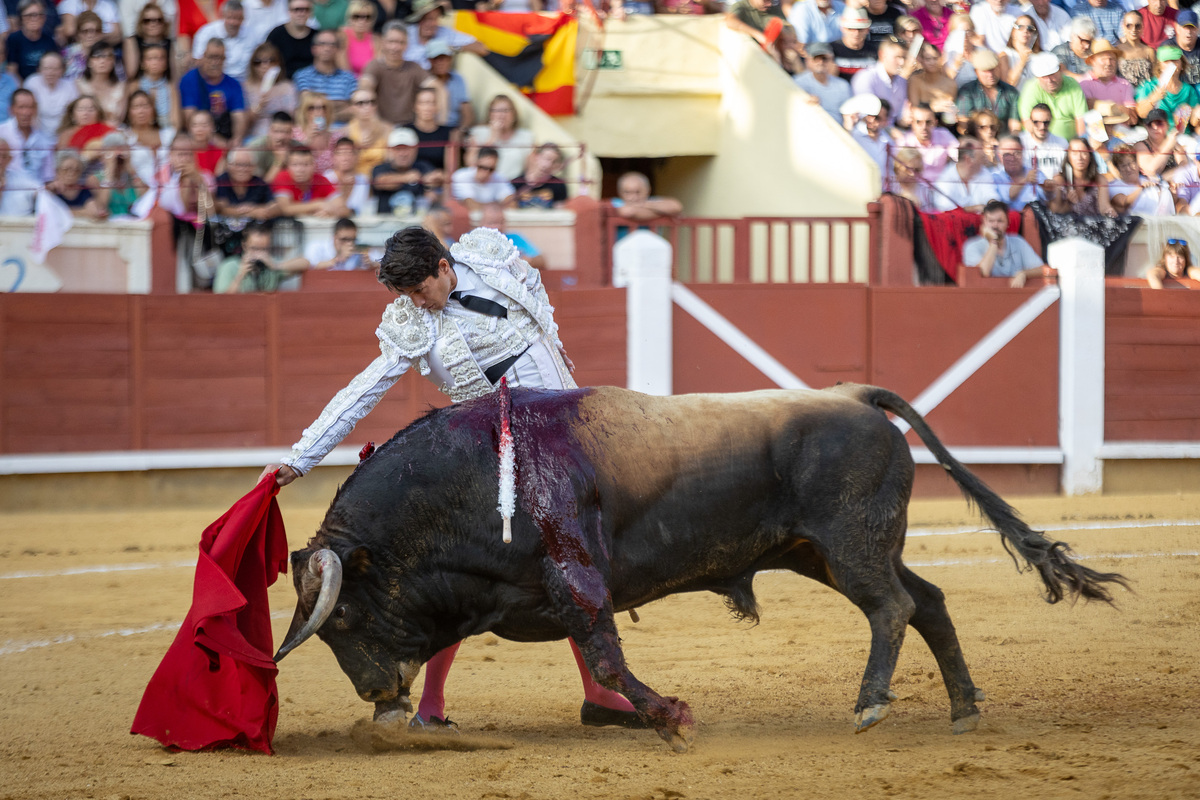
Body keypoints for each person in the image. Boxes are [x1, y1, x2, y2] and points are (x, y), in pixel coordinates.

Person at [256, 225, 642, 734]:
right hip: (498, 460)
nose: (419, 303)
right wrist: (301, 458)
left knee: (572, 558)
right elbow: (362, 391)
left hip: (570, 436)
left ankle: (598, 691)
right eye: (407, 296)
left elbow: (539, 318)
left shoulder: (489, 257)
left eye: (420, 290)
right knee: (489, 569)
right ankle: (433, 707)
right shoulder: (411, 325)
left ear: (443, 267)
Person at [360, 21, 430, 127]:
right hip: (380, 126)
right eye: (391, 41)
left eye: (400, 42)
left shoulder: (414, 67)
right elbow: (366, 85)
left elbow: (435, 86)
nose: (395, 47)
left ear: (407, 45)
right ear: (383, 42)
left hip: (408, 126)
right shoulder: (374, 65)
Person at [962, 200, 1047, 286]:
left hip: (1016, 296)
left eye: (1000, 221)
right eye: (991, 221)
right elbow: (983, 272)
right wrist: (993, 242)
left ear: (1008, 223)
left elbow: (1042, 269)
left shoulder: (1018, 242)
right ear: (984, 222)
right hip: (985, 296)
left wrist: (1024, 273)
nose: (995, 225)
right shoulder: (971, 246)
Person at [180, 38, 248, 145]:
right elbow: (189, 118)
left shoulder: (233, 84)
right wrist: (217, 141)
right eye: (211, 57)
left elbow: (239, 117)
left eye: (220, 58)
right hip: (198, 138)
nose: (215, 62)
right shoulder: (189, 80)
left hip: (225, 134)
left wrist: (236, 139)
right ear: (203, 56)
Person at [214, 222, 312, 292]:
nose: (259, 254)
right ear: (244, 246)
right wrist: (240, 275)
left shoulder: (270, 264)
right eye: (254, 248)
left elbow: (305, 263)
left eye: (264, 249)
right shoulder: (229, 266)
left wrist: (275, 266)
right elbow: (223, 300)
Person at [371, 121, 439, 217]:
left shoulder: (422, 166)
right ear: (390, 150)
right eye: (398, 149)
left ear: (415, 150)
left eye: (407, 149)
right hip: (385, 223)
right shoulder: (380, 168)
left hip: (416, 223)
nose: (403, 154)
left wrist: (432, 182)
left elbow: (435, 180)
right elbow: (380, 181)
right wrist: (407, 178)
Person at [466, 94, 534, 183]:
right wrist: (493, 137)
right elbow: (471, 164)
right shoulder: (479, 133)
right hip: (484, 183)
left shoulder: (526, 136)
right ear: (490, 114)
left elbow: (531, 170)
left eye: (506, 111)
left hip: (512, 186)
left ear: (514, 114)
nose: (501, 115)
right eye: (497, 111)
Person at [1018, 53, 1087, 141]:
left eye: (1052, 74)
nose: (1049, 80)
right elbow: (1027, 121)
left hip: (1070, 145)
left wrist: (1080, 143)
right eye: (1044, 77)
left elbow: (1081, 120)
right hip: (1040, 142)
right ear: (1037, 78)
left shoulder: (1073, 85)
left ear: (1060, 70)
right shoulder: (1031, 88)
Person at [294, 29, 358, 119]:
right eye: (322, 44)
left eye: (332, 45)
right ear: (314, 49)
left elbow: (356, 110)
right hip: (312, 131)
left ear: (337, 50)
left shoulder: (349, 78)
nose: (327, 48)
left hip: (342, 131)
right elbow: (306, 106)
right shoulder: (302, 75)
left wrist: (322, 111)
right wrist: (341, 104)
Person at [272, 143, 349, 216]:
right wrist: (318, 204)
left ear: (314, 165)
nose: (300, 169)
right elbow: (285, 209)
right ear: (288, 166)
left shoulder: (321, 181)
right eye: (295, 165)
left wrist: (331, 212)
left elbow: (343, 208)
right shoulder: (282, 178)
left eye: (306, 164)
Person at [403, 0, 484, 68]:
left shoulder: (445, 33)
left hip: (435, 82)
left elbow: (481, 48)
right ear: (418, 20)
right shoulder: (406, 34)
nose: (431, 24)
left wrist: (450, 48)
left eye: (434, 19)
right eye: (426, 19)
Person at [1044, 136, 1112, 216]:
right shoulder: (1059, 180)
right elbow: (1054, 211)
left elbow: (1104, 207)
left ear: (1090, 155)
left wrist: (1110, 212)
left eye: (1083, 152)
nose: (1079, 158)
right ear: (1068, 156)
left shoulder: (1099, 179)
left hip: (1092, 225)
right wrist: (1068, 204)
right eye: (1075, 153)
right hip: (1067, 226)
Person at [955, 49, 1021, 133]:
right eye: (985, 71)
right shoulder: (967, 91)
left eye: (993, 69)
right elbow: (963, 125)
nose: (990, 74)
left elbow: (1014, 124)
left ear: (999, 68)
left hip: (1003, 140)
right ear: (976, 71)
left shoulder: (1011, 92)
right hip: (976, 140)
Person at [1135, 45, 1200, 128]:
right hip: (1158, 136)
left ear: (1182, 64)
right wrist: (1154, 98)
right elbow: (1141, 114)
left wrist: (1196, 114)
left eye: (1175, 60)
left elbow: (1194, 122)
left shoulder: (1188, 90)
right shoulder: (1149, 86)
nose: (1171, 64)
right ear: (1159, 65)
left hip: (1182, 136)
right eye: (1166, 61)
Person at [83, 131, 146, 216]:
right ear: (103, 157)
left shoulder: (131, 178)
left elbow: (146, 199)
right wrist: (109, 170)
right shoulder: (94, 179)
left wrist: (130, 167)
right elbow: (101, 207)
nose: (118, 161)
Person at [243, 43, 298, 139]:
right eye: (258, 61)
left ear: (278, 63)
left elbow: (293, 117)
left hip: (283, 134)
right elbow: (242, 123)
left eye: (270, 61)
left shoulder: (287, 87)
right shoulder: (245, 88)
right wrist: (258, 107)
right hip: (255, 136)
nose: (264, 65)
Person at [932, 137, 1002, 212]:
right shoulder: (945, 179)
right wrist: (975, 208)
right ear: (968, 159)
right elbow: (946, 209)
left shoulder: (983, 171)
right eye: (981, 157)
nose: (984, 161)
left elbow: (991, 195)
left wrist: (993, 204)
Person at [192, 0, 256, 81]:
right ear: (222, 16)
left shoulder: (251, 34)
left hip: (243, 82)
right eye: (230, 18)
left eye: (238, 18)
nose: (234, 22)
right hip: (213, 81)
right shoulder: (206, 32)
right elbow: (198, 62)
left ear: (243, 18)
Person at [851, 36, 908, 125]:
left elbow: (901, 116)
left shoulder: (902, 81)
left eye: (904, 57)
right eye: (897, 57)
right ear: (881, 55)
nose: (902, 62)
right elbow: (867, 116)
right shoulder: (865, 77)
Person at [215, 145, 282, 219]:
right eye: (238, 164)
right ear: (229, 165)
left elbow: (275, 207)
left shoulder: (259, 183)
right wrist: (252, 212)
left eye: (248, 165)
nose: (243, 169)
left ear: (254, 167)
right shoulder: (220, 182)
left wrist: (256, 208)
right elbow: (219, 209)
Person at [897, 102, 958, 183]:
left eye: (928, 122)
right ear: (912, 123)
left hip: (940, 188)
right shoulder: (904, 141)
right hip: (915, 188)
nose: (924, 127)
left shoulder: (943, 134)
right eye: (919, 122)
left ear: (935, 122)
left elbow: (959, 154)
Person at [22, 53, 77, 137]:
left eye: (55, 69)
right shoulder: (32, 82)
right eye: (46, 68)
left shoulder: (70, 86)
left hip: (63, 133)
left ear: (62, 70)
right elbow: (28, 112)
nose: (50, 73)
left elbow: (73, 114)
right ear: (39, 69)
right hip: (37, 134)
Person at [479, 201, 547, 270]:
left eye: (501, 222)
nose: (498, 227)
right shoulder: (472, 240)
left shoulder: (515, 238)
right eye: (492, 223)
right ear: (482, 223)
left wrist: (529, 261)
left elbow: (541, 260)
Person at [1109, 146, 1174, 216]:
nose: (1128, 168)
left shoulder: (1150, 179)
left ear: (1137, 163)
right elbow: (1123, 203)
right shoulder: (1114, 186)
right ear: (1118, 169)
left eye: (1131, 163)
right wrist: (1141, 188)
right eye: (1123, 166)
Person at [48, 149, 110, 221]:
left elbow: (94, 211)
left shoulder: (84, 191)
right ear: (57, 171)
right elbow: (51, 212)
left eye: (76, 170)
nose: (71, 173)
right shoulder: (52, 190)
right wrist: (83, 212)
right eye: (67, 169)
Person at [1080, 39, 1133, 121]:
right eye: (1103, 59)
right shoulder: (1084, 84)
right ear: (1093, 61)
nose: (1108, 63)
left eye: (1112, 59)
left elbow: (1132, 118)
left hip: (1122, 131)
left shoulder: (1124, 84)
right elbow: (1086, 113)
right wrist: (1120, 109)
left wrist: (1099, 105)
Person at [426, 39, 473, 133]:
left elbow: (466, 109)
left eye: (444, 58)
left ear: (450, 59)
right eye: (436, 59)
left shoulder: (458, 79)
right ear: (430, 61)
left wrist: (462, 130)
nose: (441, 62)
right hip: (430, 129)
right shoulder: (425, 80)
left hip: (454, 129)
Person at [130, 43, 179, 132]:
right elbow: (131, 118)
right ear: (142, 63)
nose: (155, 62)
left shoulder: (171, 87)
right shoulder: (135, 85)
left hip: (166, 131)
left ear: (166, 63)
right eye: (150, 59)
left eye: (160, 58)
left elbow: (176, 122)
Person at [295, 216, 375, 270]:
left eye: (352, 239)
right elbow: (310, 266)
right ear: (334, 237)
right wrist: (338, 259)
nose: (349, 243)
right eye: (344, 239)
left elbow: (380, 261)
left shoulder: (358, 248)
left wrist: (370, 264)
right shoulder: (316, 247)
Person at [6, 0, 59, 81]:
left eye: (39, 15)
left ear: (44, 18)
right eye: (29, 15)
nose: (35, 18)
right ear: (21, 18)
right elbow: (12, 71)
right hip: (21, 86)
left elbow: (55, 68)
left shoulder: (49, 40)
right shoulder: (13, 39)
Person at [343, 87, 392, 176]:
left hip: (381, 180)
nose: (367, 106)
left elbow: (391, 161)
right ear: (351, 107)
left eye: (372, 102)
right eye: (360, 103)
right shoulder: (345, 131)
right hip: (355, 180)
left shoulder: (387, 129)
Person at [124, 3, 177, 83]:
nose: (153, 24)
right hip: (139, 88)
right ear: (141, 23)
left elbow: (175, 76)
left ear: (164, 23)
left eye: (159, 20)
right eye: (147, 21)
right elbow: (131, 73)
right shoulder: (132, 41)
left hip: (165, 88)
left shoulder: (169, 43)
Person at [906, 41, 957, 124]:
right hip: (921, 124)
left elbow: (950, 108)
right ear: (922, 60)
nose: (932, 62)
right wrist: (932, 107)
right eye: (928, 59)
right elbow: (914, 107)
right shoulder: (915, 81)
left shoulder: (950, 84)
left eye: (935, 58)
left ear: (941, 59)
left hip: (944, 124)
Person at [75, 43, 127, 123]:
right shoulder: (78, 85)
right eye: (97, 56)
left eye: (108, 57)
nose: (103, 61)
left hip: (113, 132)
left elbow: (119, 119)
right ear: (89, 61)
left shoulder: (121, 87)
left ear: (113, 61)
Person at [266, 0, 318, 78]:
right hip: (282, 81)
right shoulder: (276, 35)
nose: (301, 13)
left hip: (312, 82)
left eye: (306, 10)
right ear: (289, 11)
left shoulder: (317, 36)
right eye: (296, 9)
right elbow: (267, 61)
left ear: (311, 12)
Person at [451, 145, 514, 209]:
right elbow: (470, 204)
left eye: (491, 169)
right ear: (475, 163)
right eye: (482, 167)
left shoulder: (499, 177)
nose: (486, 172)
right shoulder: (461, 176)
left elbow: (511, 201)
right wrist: (497, 206)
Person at [410, 84, 455, 172]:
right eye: (422, 103)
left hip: (439, 181)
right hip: (411, 181)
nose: (427, 108)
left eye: (432, 103)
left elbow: (451, 169)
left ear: (438, 107)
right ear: (415, 106)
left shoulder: (448, 132)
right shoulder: (405, 130)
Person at [510, 142, 568, 209]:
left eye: (554, 162)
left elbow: (560, 212)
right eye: (547, 159)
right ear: (537, 157)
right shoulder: (515, 183)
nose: (548, 165)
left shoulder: (558, 185)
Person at [993, 134, 1042, 210]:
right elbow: (1007, 197)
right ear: (1000, 157)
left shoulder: (1036, 173)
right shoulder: (995, 177)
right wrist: (1026, 180)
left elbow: (1048, 198)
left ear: (1023, 153)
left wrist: (1049, 189)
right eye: (1007, 154)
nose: (1012, 159)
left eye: (1017, 153)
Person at [324, 136, 372, 213]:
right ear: (333, 158)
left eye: (349, 153)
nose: (345, 158)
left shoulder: (364, 181)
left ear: (357, 156)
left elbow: (368, 209)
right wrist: (344, 189)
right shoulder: (325, 179)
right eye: (341, 154)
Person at [246, 110, 297, 182]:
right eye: (277, 131)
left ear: (292, 132)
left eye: (286, 132)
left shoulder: (298, 148)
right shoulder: (256, 148)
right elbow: (260, 187)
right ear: (269, 130)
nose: (281, 137)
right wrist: (278, 162)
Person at [611, 170, 683, 221]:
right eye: (627, 192)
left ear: (648, 190)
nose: (632, 197)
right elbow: (628, 212)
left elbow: (676, 206)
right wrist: (664, 213)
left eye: (638, 192)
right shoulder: (615, 203)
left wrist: (642, 205)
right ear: (619, 192)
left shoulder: (652, 200)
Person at [831, 6, 878, 81]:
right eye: (851, 29)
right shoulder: (832, 50)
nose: (856, 33)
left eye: (860, 29)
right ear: (842, 29)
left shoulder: (875, 51)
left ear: (867, 30)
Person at [292, 90, 335, 172]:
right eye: (311, 108)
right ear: (304, 111)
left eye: (323, 107)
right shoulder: (293, 134)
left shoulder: (335, 138)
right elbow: (291, 161)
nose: (318, 111)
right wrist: (307, 140)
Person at [1021, 101, 1067, 175]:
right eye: (1036, 122)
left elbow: (1065, 174)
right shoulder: (1021, 142)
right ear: (1030, 121)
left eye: (1046, 122)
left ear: (1051, 121)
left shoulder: (1062, 143)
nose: (1042, 127)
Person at [64, 10, 111, 82]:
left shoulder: (108, 54)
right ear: (78, 33)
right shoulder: (67, 54)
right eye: (85, 31)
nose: (90, 35)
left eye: (96, 31)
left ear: (101, 34)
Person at [338, 0, 381, 76]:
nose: (362, 21)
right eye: (356, 16)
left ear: (373, 20)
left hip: (369, 82)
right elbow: (344, 69)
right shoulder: (343, 36)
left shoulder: (376, 40)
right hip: (347, 83)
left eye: (367, 17)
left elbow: (377, 69)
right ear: (349, 18)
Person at [1116, 10, 1156, 91]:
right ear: (1123, 27)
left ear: (1142, 27)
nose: (1133, 29)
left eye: (1137, 26)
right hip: (1124, 96)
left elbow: (1155, 76)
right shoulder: (1117, 51)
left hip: (1146, 96)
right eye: (1129, 26)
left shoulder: (1149, 51)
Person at [0, 139, 40, 215]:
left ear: (10, 159)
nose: (0, 161)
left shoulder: (21, 178)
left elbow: (40, 191)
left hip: (19, 225)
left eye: (4, 157)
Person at [999, 14, 1041, 88]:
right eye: (1020, 27)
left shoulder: (1038, 57)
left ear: (1034, 34)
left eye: (1030, 28)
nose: (1025, 31)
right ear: (1013, 32)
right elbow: (1008, 84)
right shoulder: (1005, 54)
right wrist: (1022, 61)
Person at [1051, 17, 1095, 81]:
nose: (1087, 46)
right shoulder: (1060, 51)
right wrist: (1085, 79)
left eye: (1090, 41)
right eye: (1083, 41)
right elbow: (1060, 72)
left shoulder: (1095, 52)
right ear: (1073, 36)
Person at [1176, 9, 1200, 86]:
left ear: (1198, 29)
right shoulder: (1169, 47)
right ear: (1178, 28)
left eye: (1192, 27)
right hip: (1181, 91)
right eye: (1185, 27)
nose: (1188, 32)